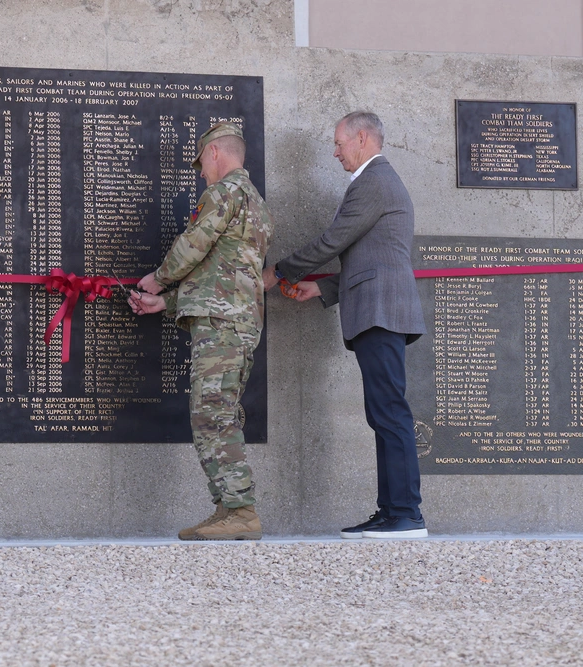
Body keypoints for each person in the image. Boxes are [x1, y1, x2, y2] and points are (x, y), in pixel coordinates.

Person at [262, 111, 428, 539]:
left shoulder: (374, 181)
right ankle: (392, 510)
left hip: (380, 312)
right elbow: (374, 256)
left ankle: (406, 514)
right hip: (376, 308)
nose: (334, 152)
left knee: (389, 413)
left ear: (361, 138)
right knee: (383, 413)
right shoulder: (378, 182)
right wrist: (325, 290)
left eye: (338, 143)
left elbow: (333, 241)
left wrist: (279, 272)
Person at [129, 122, 273, 540]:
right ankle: (229, 507)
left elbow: (195, 243)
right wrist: (166, 304)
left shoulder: (224, 193)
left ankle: (241, 510)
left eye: (202, 164)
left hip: (222, 327)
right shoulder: (257, 205)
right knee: (216, 413)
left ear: (214, 153)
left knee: (212, 416)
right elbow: (225, 278)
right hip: (236, 321)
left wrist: (157, 280)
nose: (201, 173)